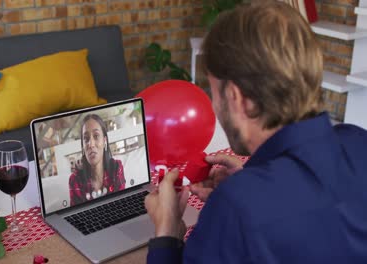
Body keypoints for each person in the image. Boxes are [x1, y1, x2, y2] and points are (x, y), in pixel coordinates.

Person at [145, 1, 367, 263]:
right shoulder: (358, 141)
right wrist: (250, 180)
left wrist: (167, 233)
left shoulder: (237, 206)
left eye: (214, 92)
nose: (214, 105)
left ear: (238, 98)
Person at [69, 114, 125, 206]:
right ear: (83, 146)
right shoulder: (75, 180)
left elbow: (121, 204)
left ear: (104, 141)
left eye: (96, 136)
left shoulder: (116, 168)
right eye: (86, 139)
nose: (91, 144)